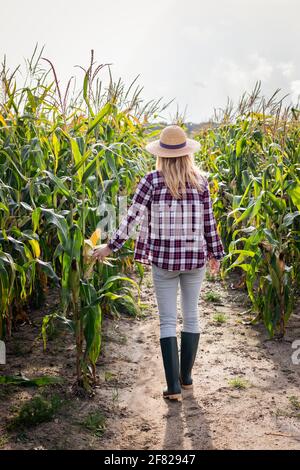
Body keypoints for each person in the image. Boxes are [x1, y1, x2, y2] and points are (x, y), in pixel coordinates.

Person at [93, 125, 225, 401]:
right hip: (194, 259)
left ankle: (173, 388)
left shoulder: (151, 181)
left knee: (167, 320)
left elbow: (132, 218)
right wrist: (215, 254)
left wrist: (110, 246)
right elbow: (208, 223)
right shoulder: (201, 182)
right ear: (187, 154)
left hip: (163, 260)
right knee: (191, 315)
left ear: (162, 155)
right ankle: (186, 378)